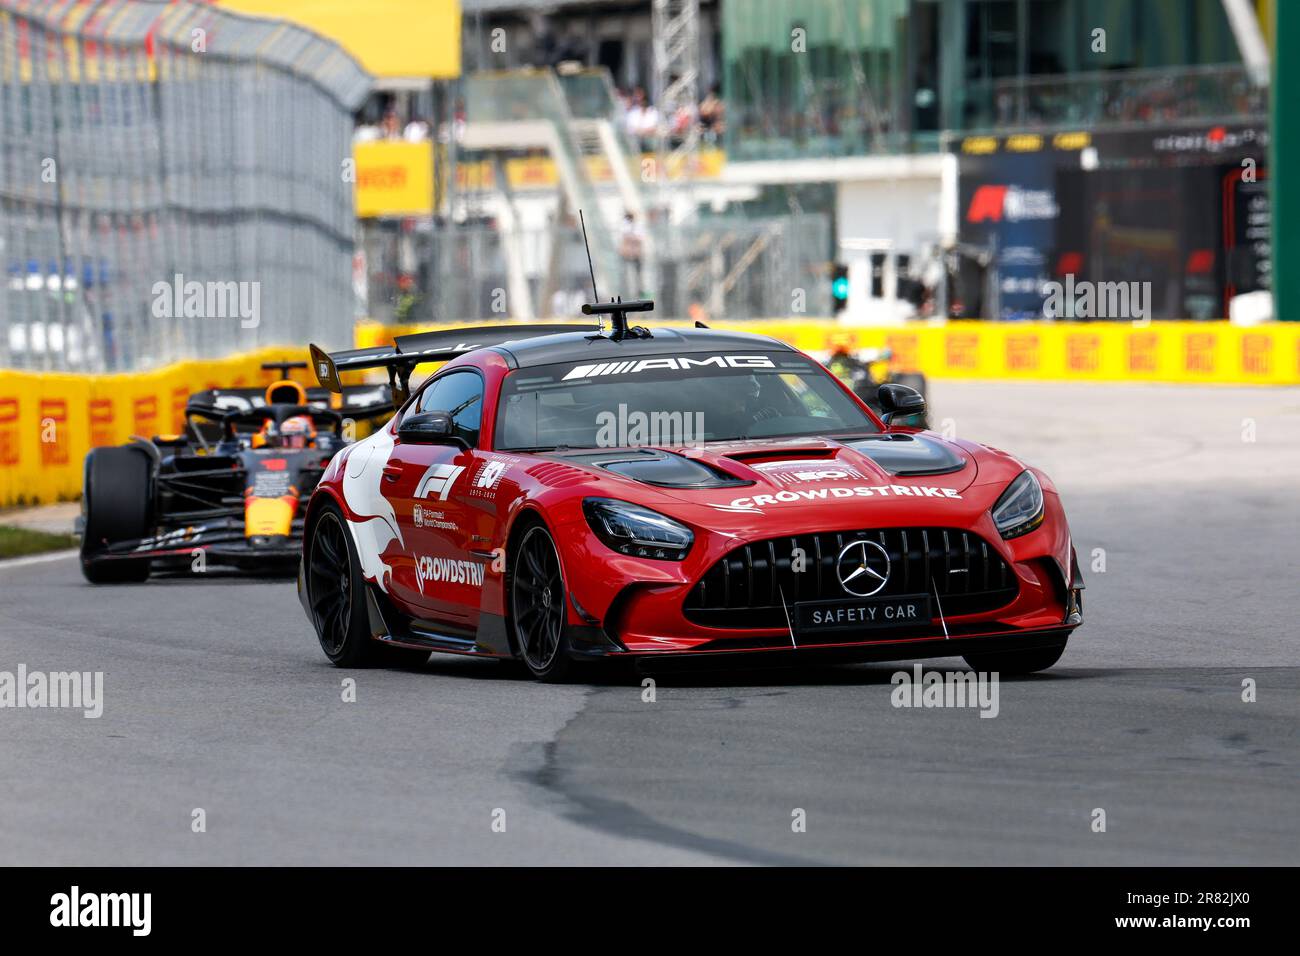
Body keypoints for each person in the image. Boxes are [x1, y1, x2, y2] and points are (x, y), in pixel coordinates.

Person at [619, 211, 645, 296]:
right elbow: (625, 238)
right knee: (627, 275)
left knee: (637, 275)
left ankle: (638, 291)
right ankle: (627, 292)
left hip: (636, 255)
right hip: (627, 255)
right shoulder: (624, 226)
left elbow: (639, 239)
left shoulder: (637, 226)